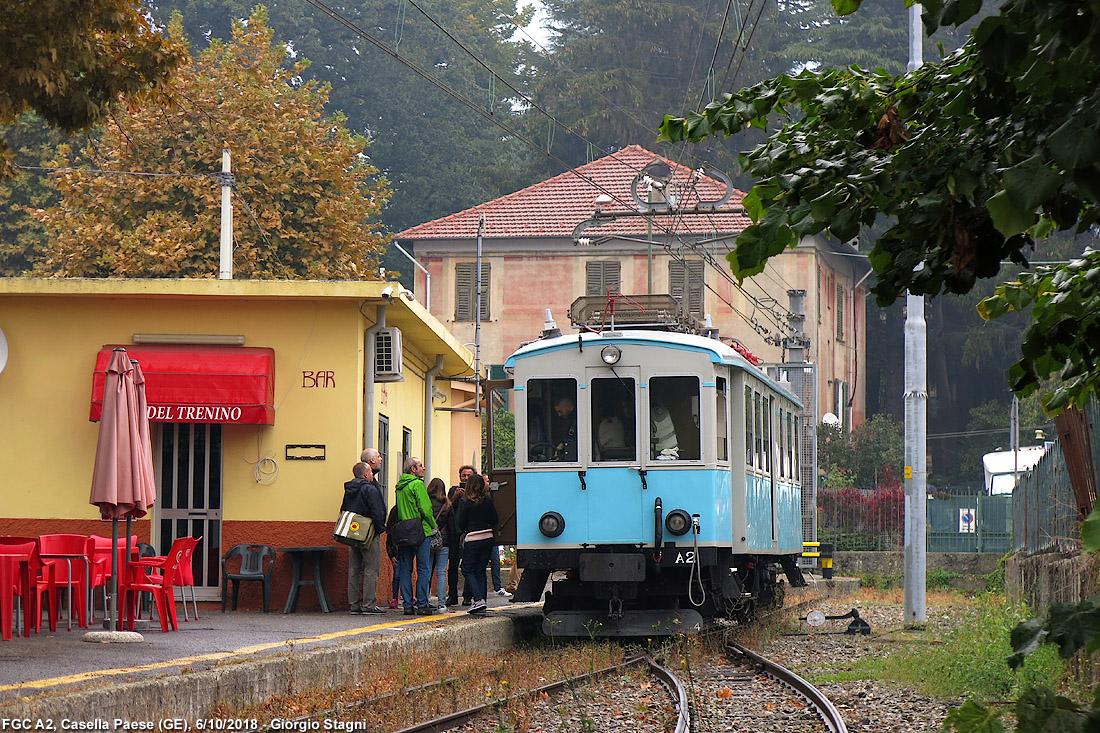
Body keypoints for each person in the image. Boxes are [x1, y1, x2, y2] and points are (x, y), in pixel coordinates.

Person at [342, 462, 388, 614]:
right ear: (366, 474)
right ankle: (368, 605)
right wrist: (381, 529)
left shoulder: (349, 489)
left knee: (354, 569)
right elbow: (378, 511)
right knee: (371, 569)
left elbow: (343, 509)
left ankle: (354, 605)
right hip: (369, 533)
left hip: (352, 533)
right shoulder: (370, 489)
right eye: (370, 472)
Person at [394, 456, 436, 616]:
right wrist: (433, 525)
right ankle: (422, 604)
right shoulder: (417, 484)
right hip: (421, 530)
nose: (423, 468)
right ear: (413, 469)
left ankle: (407, 604)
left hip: (404, 531)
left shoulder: (400, 486)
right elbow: (425, 509)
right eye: (420, 466)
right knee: (423, 568)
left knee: (405, 568)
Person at [455, 472, 498, 615]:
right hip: (488, 538)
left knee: (467, 569)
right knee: (480, 570)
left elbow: (461, 524)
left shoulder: (466, 502)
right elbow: (495, 519)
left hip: (473, 538)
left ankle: (478, 600)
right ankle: (482, 602)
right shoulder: (489, 500)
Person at [447, 464, 475, 606]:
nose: (466, 478)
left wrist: (468, 497)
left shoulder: (476, 493)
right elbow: (447, 507)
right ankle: (452, 595)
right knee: (452, 566)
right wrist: (456, 497)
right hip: (454, 534)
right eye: (464, 475)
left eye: (469, 476)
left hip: (469, 532)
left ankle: (467, 596)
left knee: (468, 565)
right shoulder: (453, 491)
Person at [426, 478, 453, 612]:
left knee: (426, 570)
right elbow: (452, 526)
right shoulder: (447, 504)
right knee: (441, 572)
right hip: (444, 541)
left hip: (428, 540)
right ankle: (441, 603)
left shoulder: (425, 502)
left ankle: (424, 600)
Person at [551, 395, 577, 461]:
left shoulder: (580, 418)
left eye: (560, 411)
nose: (559, 415)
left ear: (567, 407)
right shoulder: (567, 420)